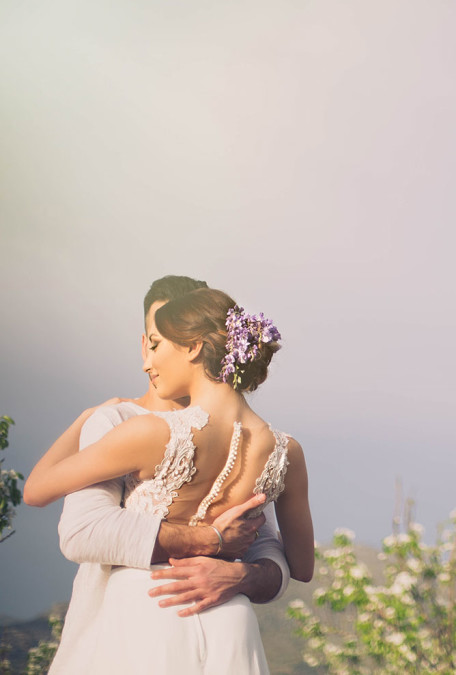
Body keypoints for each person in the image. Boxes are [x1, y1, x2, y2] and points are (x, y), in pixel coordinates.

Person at [25, 287, 314, 673]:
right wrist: (238, 567)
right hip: (231, 621)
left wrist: (87, 417)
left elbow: (37, 490)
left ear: (193, 348)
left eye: (158, 346)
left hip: (150, 609)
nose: (149, 362)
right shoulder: (286, 451)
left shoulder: (150, 433)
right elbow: (303, 567)